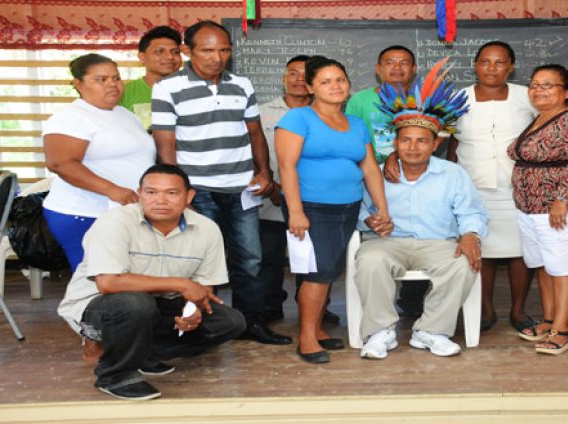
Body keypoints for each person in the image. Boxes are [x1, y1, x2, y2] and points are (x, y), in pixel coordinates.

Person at [151, 20, 291, 346]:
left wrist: (265, 173)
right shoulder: (167, 87)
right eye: (208, 50)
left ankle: (249, 323)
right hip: (198, 190)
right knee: (200, 260)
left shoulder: (241, 84)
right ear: (188, 51)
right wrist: (177, 191)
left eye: (224, 50)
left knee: (250, 259)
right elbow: (165, 144)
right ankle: (203, 327)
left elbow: (255, 132)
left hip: (242, 187)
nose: (217, 57)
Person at [57, 164, 246, 401]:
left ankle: (139, 351)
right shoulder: (114, 222)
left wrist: (193, 310)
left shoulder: (206, 229)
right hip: (101, 303)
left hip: (158, 305)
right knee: (136, 304)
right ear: (140, 193)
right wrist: (181, 284)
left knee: (230, 322)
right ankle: (115, 375)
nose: (160, 200)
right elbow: (108, 283)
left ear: (189, 197)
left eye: (172, 193)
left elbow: (203, 285)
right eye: (151, 192)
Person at [356, 60, 486, 359]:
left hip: (437, 243)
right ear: (395, 143)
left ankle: (430, 330)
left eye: (422, 141)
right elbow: (360, 209)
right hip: (388, 242)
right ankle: (380, 332)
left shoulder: (453, 174)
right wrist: (370, 220)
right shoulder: (377, 172)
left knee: (463, 262)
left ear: (434, 145)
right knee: (371, 260)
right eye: (406, 141)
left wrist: (470, 234)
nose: (413, 148)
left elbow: (471, 211)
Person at [276, 56, 390, 364]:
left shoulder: (355, 123)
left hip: (348, 207)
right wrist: (295, 211)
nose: (335, 86)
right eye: (325, 81)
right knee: (317, 272)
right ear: (311, 86)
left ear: (349, 85)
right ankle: (307, 338)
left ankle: (317, 329)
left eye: (340, 80)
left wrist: (382, 208)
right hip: (311, 208)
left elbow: (368, 167)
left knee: (328, 272)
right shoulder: (297, 119)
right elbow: (286, 167)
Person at [445, 41, 538, 334]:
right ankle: (484, 309)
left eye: (500, 63)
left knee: (522, 252)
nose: (491, 68)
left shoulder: (529, 96)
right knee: (480, 249)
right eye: (485, 62)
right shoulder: (457, 98)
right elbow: (451, 141)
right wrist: (451, 180)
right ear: (475, 64)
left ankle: (518, 309)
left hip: (519, 188)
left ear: (511, 66)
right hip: (473, 188)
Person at [507, 64, 568, 355]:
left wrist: (562, 200)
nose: (539, 90)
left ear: (567, 91)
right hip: (528, 208)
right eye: (534, 84)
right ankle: (548, 320)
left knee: (563, 268)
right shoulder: (538, 119)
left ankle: (562, 330)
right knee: (543, 266)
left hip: (558, 209)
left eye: (548, 85)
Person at [43, 53, 156, 271]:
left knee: (122, 277)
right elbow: (60, 163)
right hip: (84, 213)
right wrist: (112, 189)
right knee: (95, 280)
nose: (112, 85)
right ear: (78, 84)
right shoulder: (72, 117)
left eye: (116, 78)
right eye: (100, 80)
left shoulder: (123, 113)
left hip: (119, 213)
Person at [347, 45, 427, 317]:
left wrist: (398, 158)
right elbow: (352, 139)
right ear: (378, 70)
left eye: (404, 63)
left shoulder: (425, 99)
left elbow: (435, 136)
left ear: (414, 70)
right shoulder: (359, 100)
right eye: (389, 62)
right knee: (379, 233)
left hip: (416, 180)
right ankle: (376, 300)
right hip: (370, 181)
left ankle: (412, 298)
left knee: (418, 233)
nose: (397, 68)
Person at [258, 55, 312, 324]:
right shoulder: (261, 112)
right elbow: (252, 153)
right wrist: (271, 185)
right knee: (270, 257)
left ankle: (313, 309)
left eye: (305, 74)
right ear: (283, 78)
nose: (299, 79)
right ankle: (270, 307)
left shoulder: (328, 114)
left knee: (310, 258)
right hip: (271, 198)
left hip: (311, 200)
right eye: (293, 73)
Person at [119, 26, 183, 129]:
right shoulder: (123, 93)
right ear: (142, 57)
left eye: (175, 52)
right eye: (159, 51)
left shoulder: (194, 90)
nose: (170, 57)